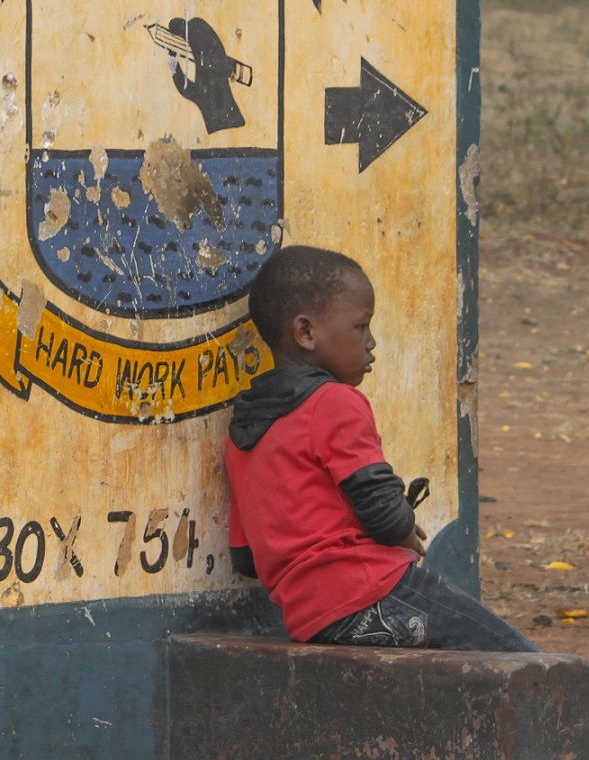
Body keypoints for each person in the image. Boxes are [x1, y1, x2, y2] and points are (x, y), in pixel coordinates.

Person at [225, 244, 540, 652]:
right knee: (521, 660)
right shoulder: (334, 401)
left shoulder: (243, 431)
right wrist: (406, 528)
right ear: (306, 333)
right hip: (373, 591)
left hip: (310, 621)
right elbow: (384, 515)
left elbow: (245, 559)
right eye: (361, 327)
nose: (371, 342)